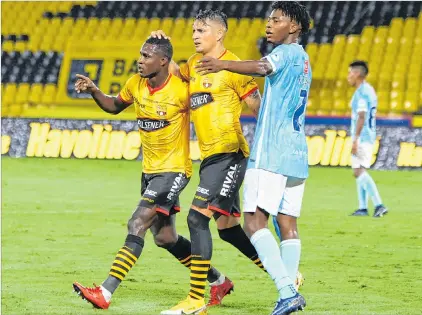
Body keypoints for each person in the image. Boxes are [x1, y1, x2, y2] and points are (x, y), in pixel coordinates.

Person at [71, 37, 224, 312]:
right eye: (140, 55)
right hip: (150, 172)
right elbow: (114, 105)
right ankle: (218, 281)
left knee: (136, 223)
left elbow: (210, 108)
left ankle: (105, 292)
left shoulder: (181, 90)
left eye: (147, 55)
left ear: (163, 61)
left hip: (174, 170)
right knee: (166, 238)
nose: (140, 60)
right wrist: (94, 90)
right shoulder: (135, 83)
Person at [195, 2, 311, 314]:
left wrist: (224, 66)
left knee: (254, 221)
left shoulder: (285, 53)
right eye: (269, 19)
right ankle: (287, 293)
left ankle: (287, 291)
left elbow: (262, 68)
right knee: (287, 224)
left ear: (295, 27)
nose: (269, 25)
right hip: (297, 153)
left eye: (277, 20)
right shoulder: (304, 59)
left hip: (271, 151)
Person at [151, 9, 269, 315]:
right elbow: (173, 72)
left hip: (230, 154)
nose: (195, 35)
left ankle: (194, 300)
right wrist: (160, 44)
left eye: (201, 30)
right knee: (228, 228)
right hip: (210, 159)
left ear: (219, 34)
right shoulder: (192, 65)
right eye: (193, 30)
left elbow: (260, 109)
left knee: (195, 219)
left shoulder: (234, 68)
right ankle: (282, 275)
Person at [347, 60, 388, 217]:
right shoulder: (367, 90)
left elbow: (362, 117)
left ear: (357, 74)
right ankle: (362, 208)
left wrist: (356, 139)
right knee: (358, 171)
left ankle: (379, 204)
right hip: (366, 135)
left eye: (350, 73)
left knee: (359, 171)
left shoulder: (362, 93)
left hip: (363, 137)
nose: (348, 76)